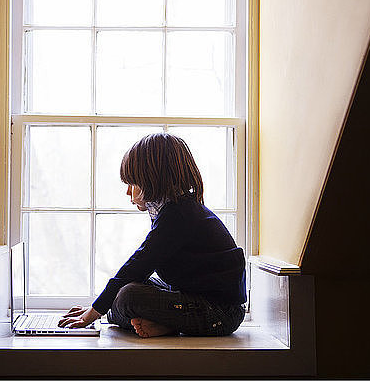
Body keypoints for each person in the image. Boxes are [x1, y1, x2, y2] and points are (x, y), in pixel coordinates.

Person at [58, 133, 247, 337]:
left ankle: (166, 325)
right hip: (189, 296)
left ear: (153, 180)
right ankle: (161, 323)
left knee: (127, 296)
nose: (128, 192)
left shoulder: (179, 214)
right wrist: (98, 307)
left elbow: (139, 264)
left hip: (219, 313)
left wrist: (92, 313)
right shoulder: (172, 210)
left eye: (133, 183)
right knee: (122, 296)